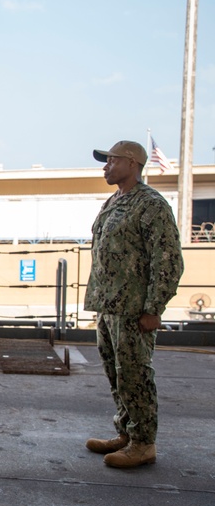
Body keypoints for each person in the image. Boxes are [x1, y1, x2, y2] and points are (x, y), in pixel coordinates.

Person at [84, 141, 184, 468]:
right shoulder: (115, 201)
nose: (105, 167)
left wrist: (154, 308)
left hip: (133, 309)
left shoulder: (150, 204)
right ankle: (127, 432)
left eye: (111, 161)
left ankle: (144, 443)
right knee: (117, 374)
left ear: (132, 163)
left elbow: (168, 259)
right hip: (109, 305)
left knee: (135, 375)